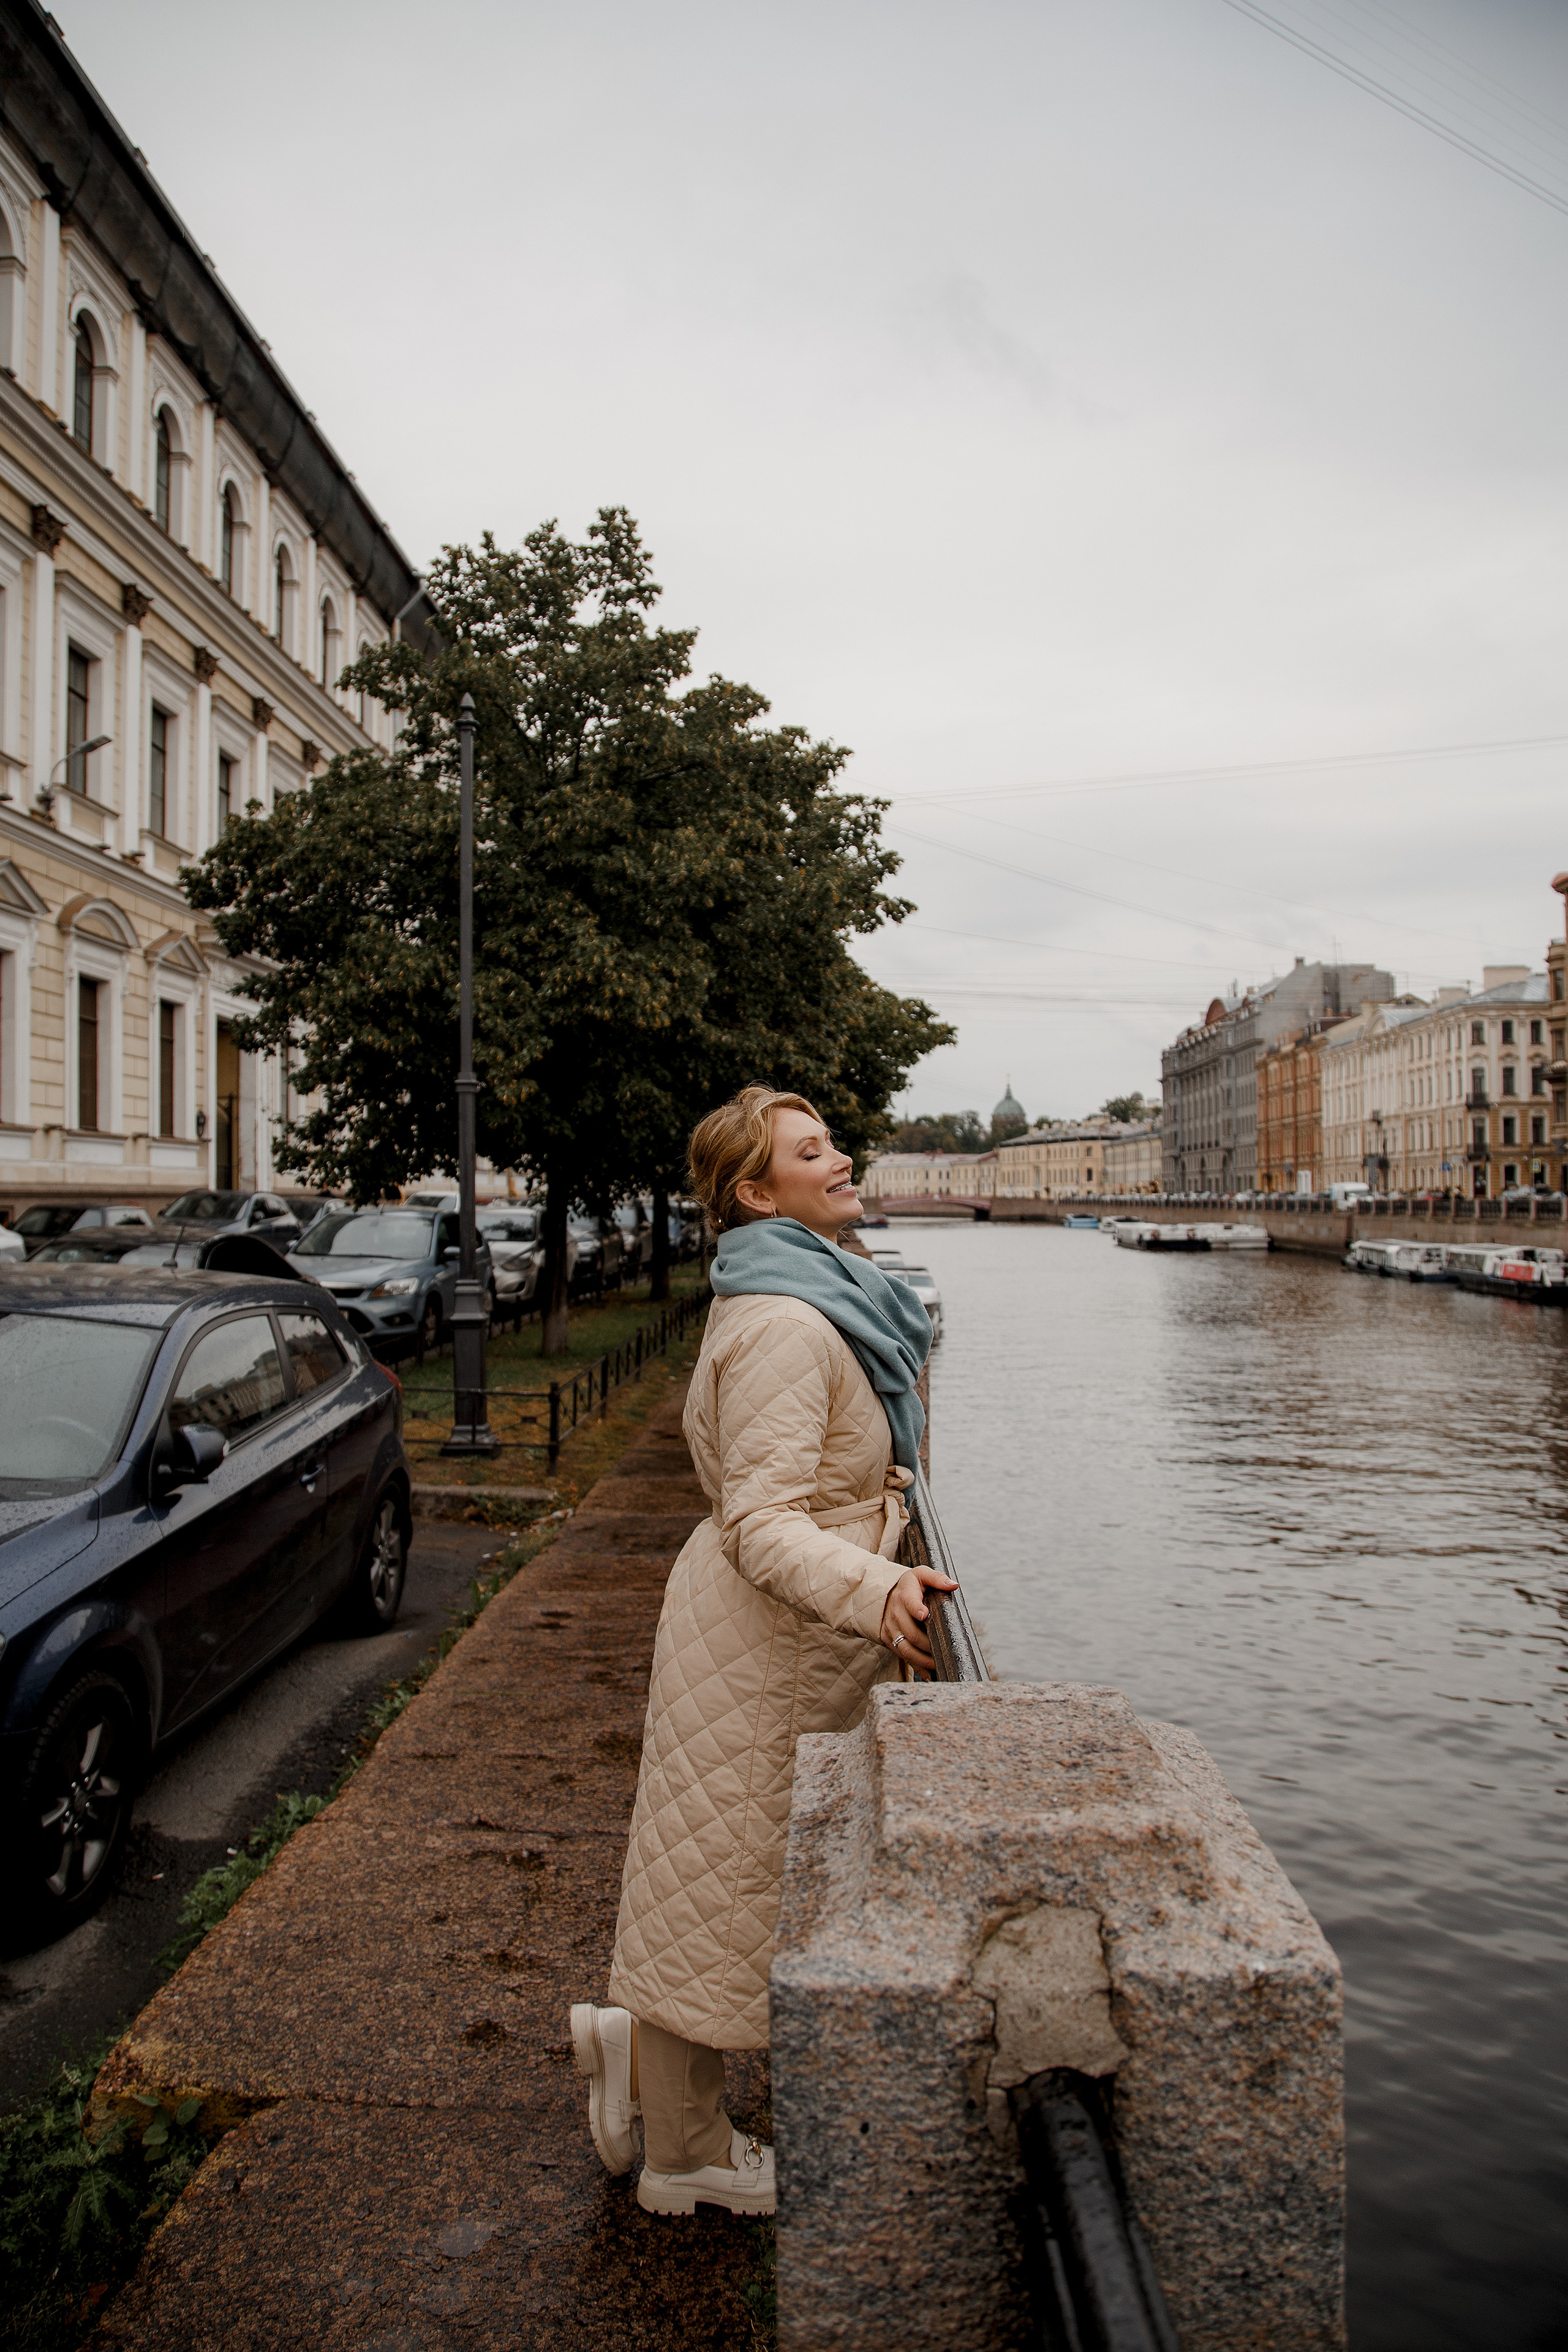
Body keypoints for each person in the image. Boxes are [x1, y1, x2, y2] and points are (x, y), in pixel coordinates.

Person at [570, 1087, 954, 2217]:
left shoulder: (801, 1287)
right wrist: (881, 1588)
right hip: (768, 1641)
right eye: (811, 1150)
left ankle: (638, 2054)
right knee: (725, 1891)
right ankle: (685, 2156)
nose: (841, 1160)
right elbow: (761, 1520)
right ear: (756, 1192)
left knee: (715, 1876)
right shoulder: (788, 1322)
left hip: (774, 1638)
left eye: (832, 1142)